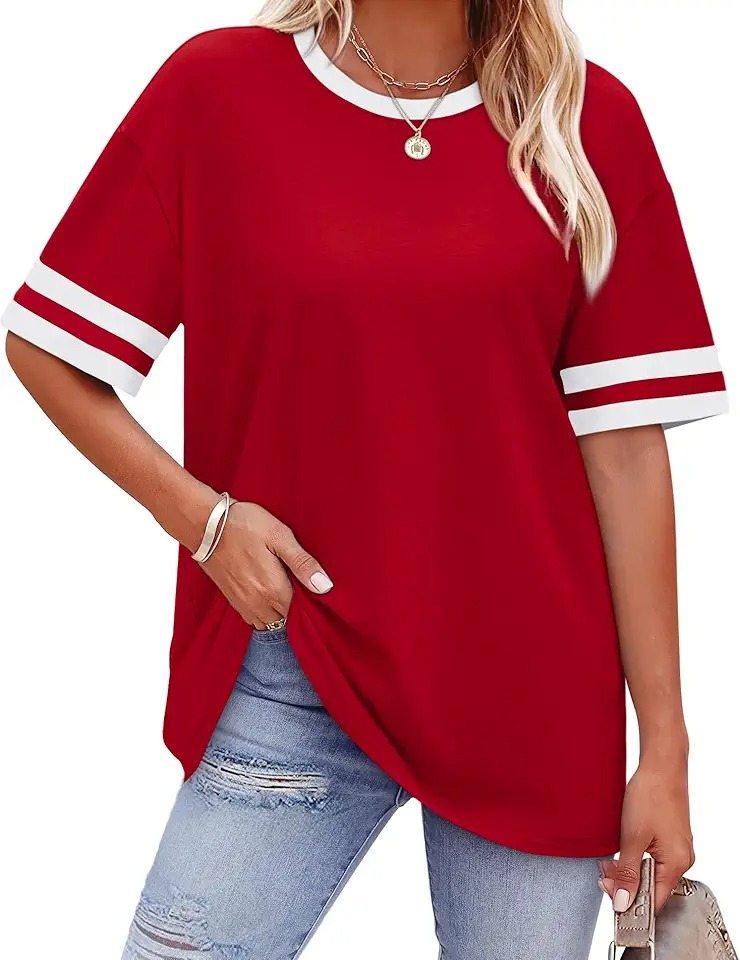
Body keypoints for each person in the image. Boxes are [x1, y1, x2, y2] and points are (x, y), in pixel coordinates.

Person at [2, 1, 728, 957]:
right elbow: (49, 349)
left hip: (532, 691)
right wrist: (204, 522)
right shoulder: (216, 93)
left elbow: (627, 453)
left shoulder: (588, 121)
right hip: (298, 664)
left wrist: (665, 746)